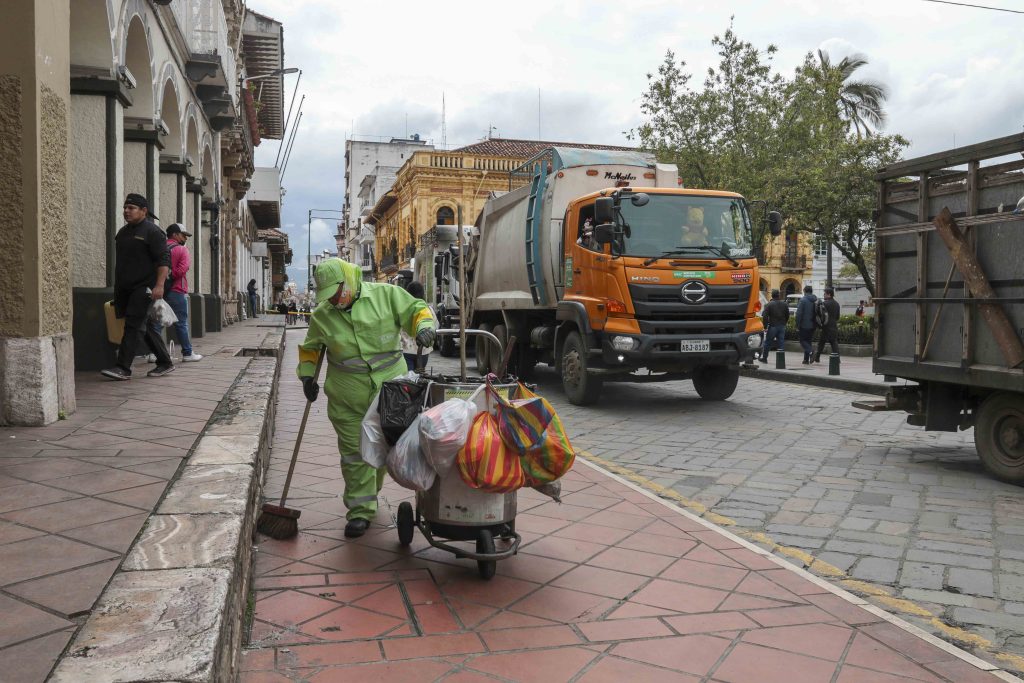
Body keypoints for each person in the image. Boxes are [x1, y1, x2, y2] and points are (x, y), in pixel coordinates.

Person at [297, 258, 436, 538]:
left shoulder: (387, 295)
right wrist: (307, 376)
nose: (335, 300)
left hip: (390, 391)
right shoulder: (323, 315)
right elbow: (311, 348)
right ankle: (360, 512)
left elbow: (417, 310)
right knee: (354, 454)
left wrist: (423, 327)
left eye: (337, 292)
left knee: (382, 449)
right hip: (346, 395)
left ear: (349, 280)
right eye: (329, 296)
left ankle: (371, 491)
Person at [101, 194, 174, 380]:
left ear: (144, 211)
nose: (126, 211)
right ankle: (165, 362)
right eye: (125, 207)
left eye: (131, 208)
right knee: (144, 326)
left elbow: (164, 260)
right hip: (125, 288)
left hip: (144, 288)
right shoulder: (123, 233)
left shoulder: (153, 232)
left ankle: (123, 367)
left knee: (133, 325)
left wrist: (159, 285)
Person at [149, 224, 201, 363]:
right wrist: (170, 275)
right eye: (183, 235)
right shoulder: (181, 250)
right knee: (181, 323)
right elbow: (183, 269)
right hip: (177, 290)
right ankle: (188, 353)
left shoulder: (159, 248)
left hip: (159, 290)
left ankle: (154, 354)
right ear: (175, 234)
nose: (185, 238)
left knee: (157, 323)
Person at [401, 281, 429, 371]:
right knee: (419, 379)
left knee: (409, 381)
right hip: (423, 352)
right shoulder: (427, 309)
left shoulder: (402, 308)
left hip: (406, 351)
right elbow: (435, 325)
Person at [758, 289, 790, 363]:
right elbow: (787, 315)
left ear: (772, 295)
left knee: (767, 343)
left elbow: (765, 316)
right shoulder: (784, 304)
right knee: (781, 343)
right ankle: (781, 361)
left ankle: (765, 358)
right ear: (778, 295)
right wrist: (784, 323)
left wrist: (765, 327)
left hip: (773, 326)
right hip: (782, 326)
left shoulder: (769, 304)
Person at [814, 286, 842, 363]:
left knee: (821, 342)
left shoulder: (824, 304)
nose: (824, 295)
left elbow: (820, 315)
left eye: (825, 294)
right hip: (833, 326)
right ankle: (837, 359)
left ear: (829, 294)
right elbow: (837, 317)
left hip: (825, 326)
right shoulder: (837, 304)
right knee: (834, 343)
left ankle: (817, 357)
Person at [795, 284, 817, 365]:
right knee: (808, 341)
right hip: (813, 324)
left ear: (804, 291)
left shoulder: (803, 300)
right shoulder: (815, 299)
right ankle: (806, 360)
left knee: (802, 341)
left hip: (804, 324)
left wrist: (797, 325)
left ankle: (811, 352)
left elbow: (799, 314)